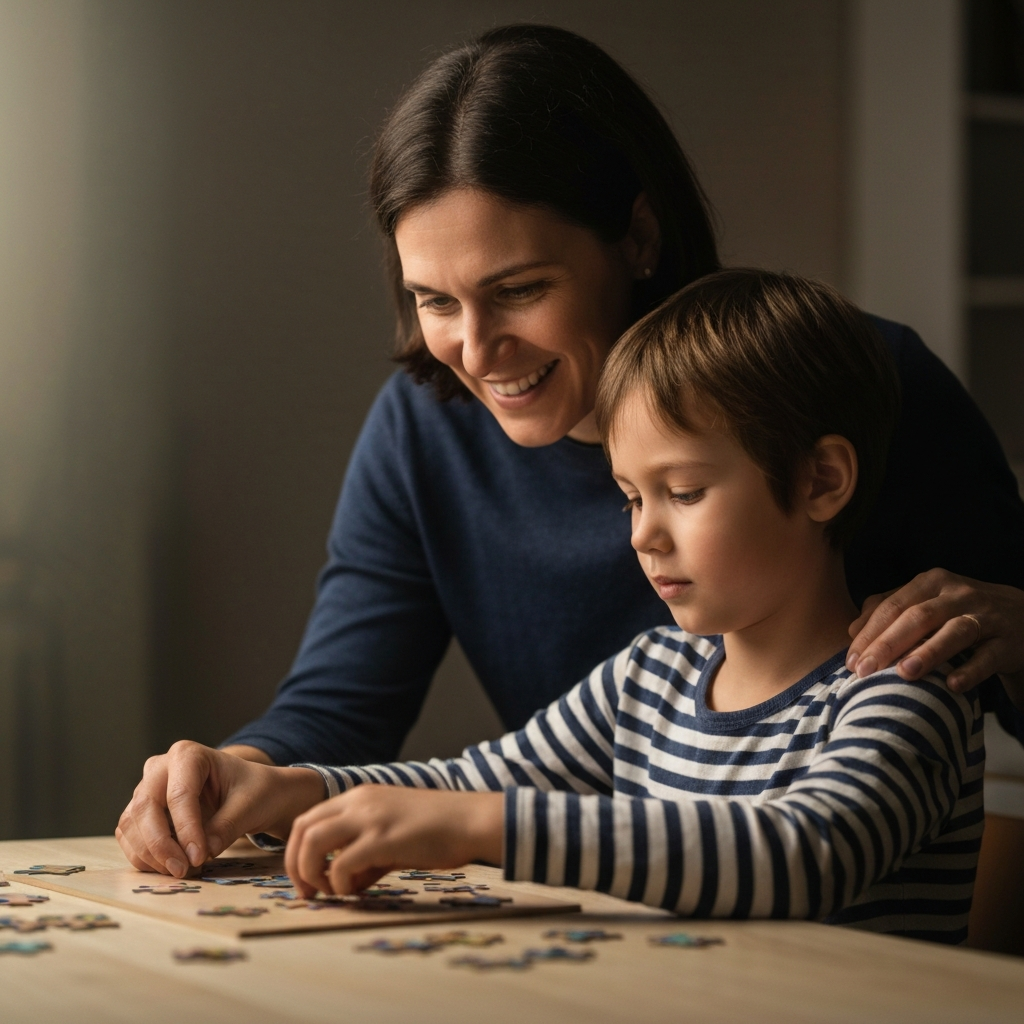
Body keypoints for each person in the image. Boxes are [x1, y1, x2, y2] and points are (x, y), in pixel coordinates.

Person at [116, 24, 1024, 881]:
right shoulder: (433, 436)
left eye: (518, 289)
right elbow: (357, 711)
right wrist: (243, 775)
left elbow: (808, 845)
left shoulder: (858, 384)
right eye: (434, 300)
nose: (475, 350)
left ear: (636, 237)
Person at [158, 270, 985, 943]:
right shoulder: (650, 674)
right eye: (630, 498)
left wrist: (485, 828)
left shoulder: (904, 688)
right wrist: (286, 788)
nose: (645, 537)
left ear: (821, 481)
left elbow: (806, 853)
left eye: (685, 492)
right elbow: (464, 780)